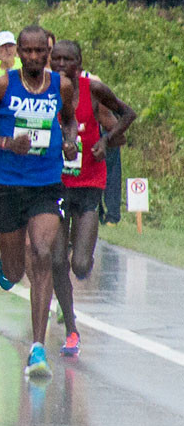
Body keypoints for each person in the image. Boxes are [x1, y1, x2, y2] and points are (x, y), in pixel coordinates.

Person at [0, 25, 78, 378]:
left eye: (39, 51)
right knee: (15, 272)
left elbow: (69, 120)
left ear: (48, 53)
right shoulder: (3, 85)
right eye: (26, 51)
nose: (32, 57)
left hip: (45, 182)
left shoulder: (61, 85)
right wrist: (5, 144)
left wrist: (70, 141)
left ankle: (37, 347)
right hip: (5, 183)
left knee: (43, 254)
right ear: (18, 53)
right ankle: (8, 263)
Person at [49, 39, 135, 356]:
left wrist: (106, 141)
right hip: (55, 186)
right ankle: (71, 329)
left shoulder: (93, 90)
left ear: (80, 64)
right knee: (57, 260)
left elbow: (128, 114)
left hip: (89, 184)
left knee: (81, 265)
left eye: (67, 59)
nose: (60, 64)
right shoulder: (44, 92)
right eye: (56, 59)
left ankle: (85, 254)